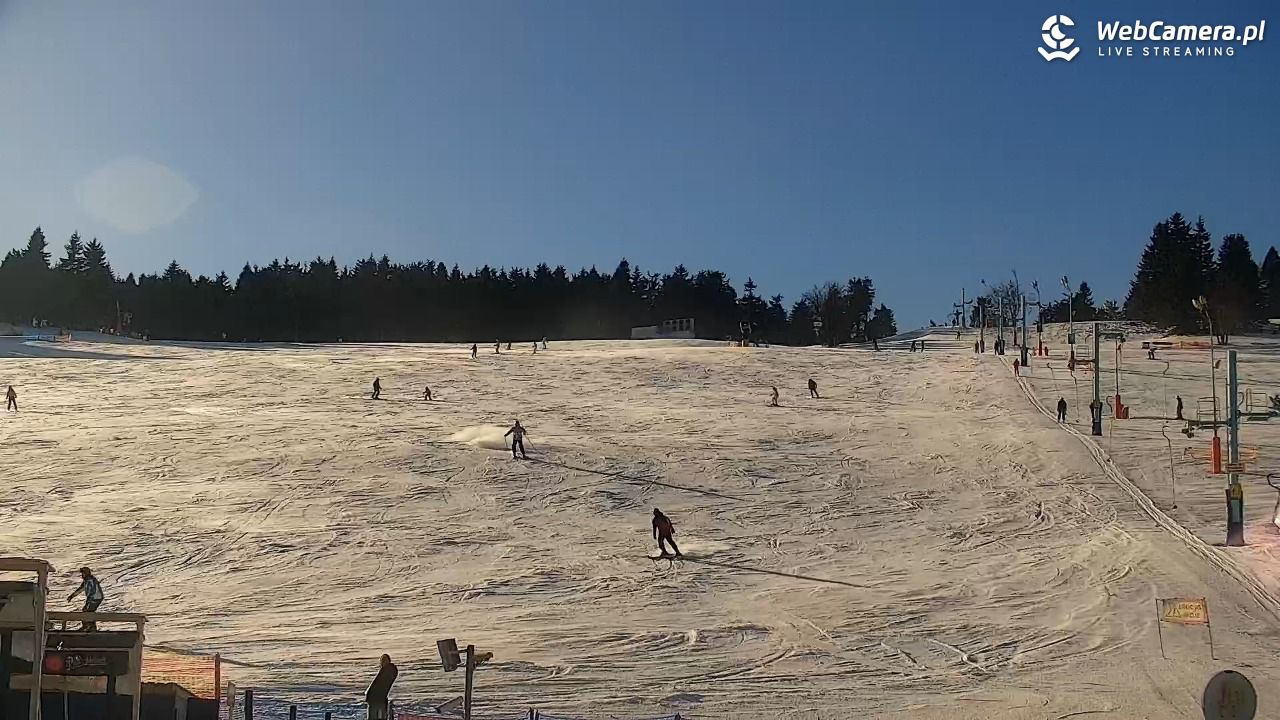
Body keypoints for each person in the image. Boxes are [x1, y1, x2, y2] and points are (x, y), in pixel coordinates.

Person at [68, 567, 104, 631]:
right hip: (94, 598)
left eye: (83, 573)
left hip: (95, 598)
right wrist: (72, 596)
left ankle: (88, 626)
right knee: (88, 611)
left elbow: (93, 590)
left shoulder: (90, 580)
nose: (82, 575)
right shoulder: (87, 581)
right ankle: (90, 626)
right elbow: (80, 589)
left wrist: (91, 598)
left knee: (87, 611)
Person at [365, 654, 398, 720]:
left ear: (389, 661)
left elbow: (382, 685)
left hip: (379, 700)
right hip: (374, 699)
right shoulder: (383, 671)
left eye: (384, 660)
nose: (382, 662)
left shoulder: (388, 671)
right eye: (382, 660)